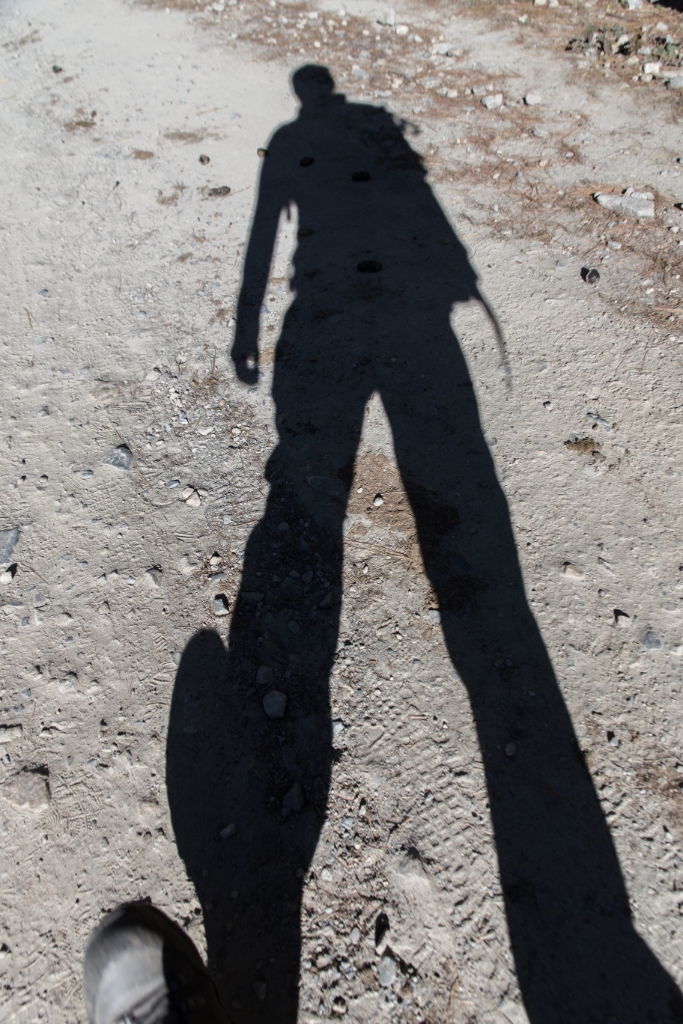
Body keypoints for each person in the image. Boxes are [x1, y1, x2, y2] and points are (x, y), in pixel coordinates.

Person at [89, 65, 683, 1024]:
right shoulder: (342, 131)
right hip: (416, 306)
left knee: (310, 478)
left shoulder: (298, 140)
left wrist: (246, 324)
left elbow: (265, 231)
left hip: (351, 301)